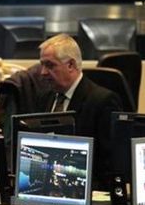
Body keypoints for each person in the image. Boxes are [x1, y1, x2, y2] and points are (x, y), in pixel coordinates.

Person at [37, 33, 122, 188]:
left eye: (50, 65)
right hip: (48, 184)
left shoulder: (102, 102)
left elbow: (109, 165)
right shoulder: (46, 96)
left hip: (85, 188)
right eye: (42, 65)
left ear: (71, 65)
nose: (43, 72)